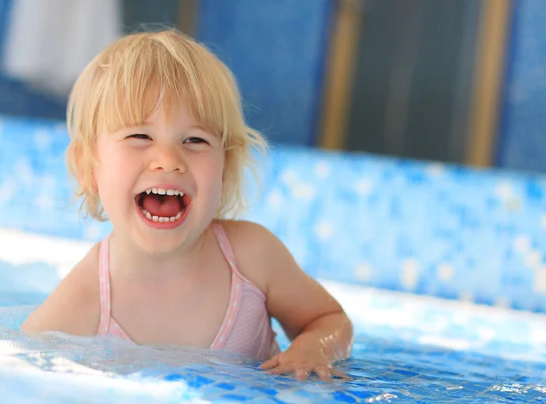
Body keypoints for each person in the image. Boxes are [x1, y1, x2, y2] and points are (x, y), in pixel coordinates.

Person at [22, 29, 353, 381]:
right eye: (140, 136)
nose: (168, 160)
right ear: (88, 166)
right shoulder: (87, 295)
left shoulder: (251, 259)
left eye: (195, 139)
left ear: (226, 166)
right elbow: (15, 372)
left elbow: (329, 320)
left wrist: (314, 347)